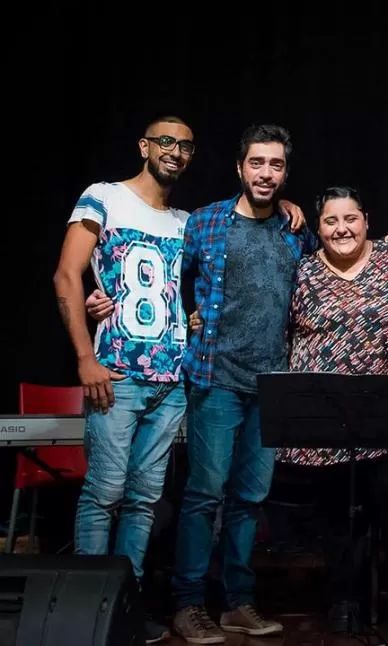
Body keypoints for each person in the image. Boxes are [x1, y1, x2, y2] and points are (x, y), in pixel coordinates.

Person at [167, 124, 388, 644]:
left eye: (276, 165)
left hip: (273, 386)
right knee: (203, 495)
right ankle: (188, 603)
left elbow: (340, 248)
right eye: (257, 163)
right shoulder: (205, 223)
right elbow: (175, 286)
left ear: (285, 173)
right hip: (216, 379)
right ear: (240, 167)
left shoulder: (294, 230)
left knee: (248, 498)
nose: (265, 173)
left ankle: (238, 602)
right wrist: (184, 319)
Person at [53, 115, 198, 644]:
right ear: (143, 146)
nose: (175, 152)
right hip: (115, 374)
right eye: (165, 142)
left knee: (143, 500)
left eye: (185, 146)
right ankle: (88, 610)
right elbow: (67, 274)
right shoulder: (104, 197)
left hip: (170, 379)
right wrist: (83, 358)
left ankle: (126, 608)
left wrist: (290, 210)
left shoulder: (185, 220)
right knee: (106, 492)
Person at [271, 186, 388, 634]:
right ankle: (346, 596)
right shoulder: (302, 271)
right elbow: (286, 332)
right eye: (330, 221)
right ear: (318, 227)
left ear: (367, 220)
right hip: (325, 418)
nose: (341, 229)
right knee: (337, 515)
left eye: (351, 218)